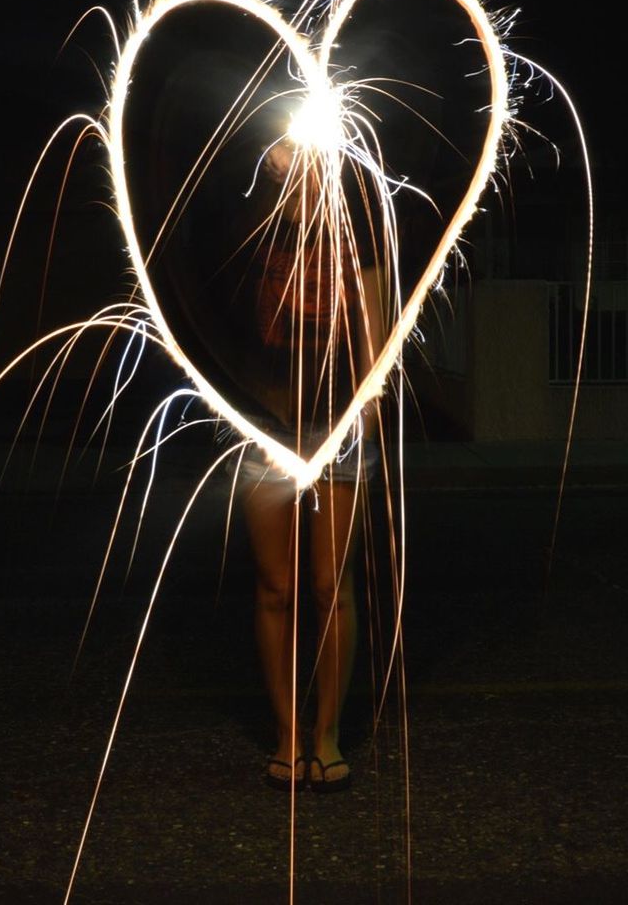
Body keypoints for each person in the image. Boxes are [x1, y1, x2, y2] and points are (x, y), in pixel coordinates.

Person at [241, 140, 384, 793]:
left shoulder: (358, 232)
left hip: (337, 424)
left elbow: (376, 339)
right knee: (276, 587)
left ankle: (325, 734)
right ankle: (286, 735)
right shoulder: (252, 225)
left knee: (331, 587)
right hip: (261, 424)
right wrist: (269, 186)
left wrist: (366, 419)